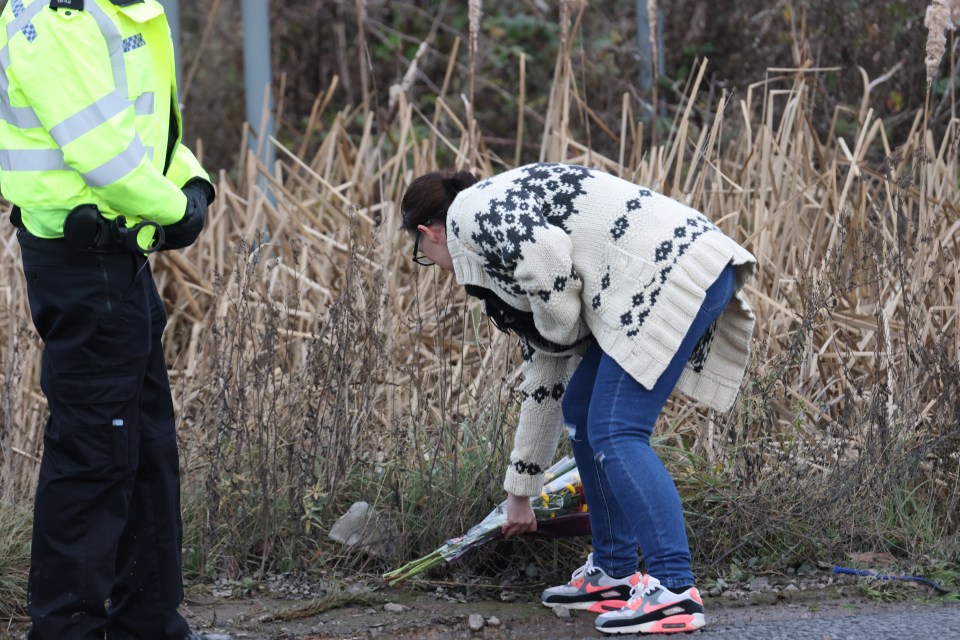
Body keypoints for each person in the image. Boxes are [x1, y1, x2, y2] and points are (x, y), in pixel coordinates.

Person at [401, 162, 756, 635]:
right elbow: (543, 382)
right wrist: (519, 494)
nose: (432, 263)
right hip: (671, 270)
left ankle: (674, 590)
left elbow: (547, 259)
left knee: (616, 427)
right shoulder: (500, 268)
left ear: (430, 234)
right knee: (583, 409)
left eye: (421, 252)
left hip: (671, 271)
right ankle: (613, 573)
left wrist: (560, 328)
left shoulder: (473, 211)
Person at [1, 1, 229, 639]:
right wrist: (171, 209)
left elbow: (149, 128)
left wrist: (192, 182)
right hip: (83, 263)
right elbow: (99, 147)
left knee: (147, 446)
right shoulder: (57, 16)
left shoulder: (122, 10)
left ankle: (151, 624)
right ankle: (66, 632)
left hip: (116, 259)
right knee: (95, 453)